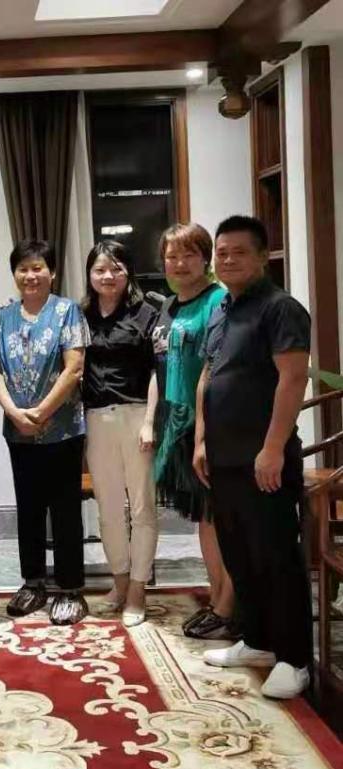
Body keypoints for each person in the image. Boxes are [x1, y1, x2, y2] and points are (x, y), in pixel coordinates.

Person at [196, 215, 312, 700]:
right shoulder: (223, 308)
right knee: (240, 554)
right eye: (221, 253)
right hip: (223, 458)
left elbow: (293, 378)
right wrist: (202, 440)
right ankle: (259, 641)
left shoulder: (280, 308)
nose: (227, 260)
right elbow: (210, 374)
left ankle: (294, 659)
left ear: (263, 256)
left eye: (239, 252)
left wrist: (272, 448)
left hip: (264, 459)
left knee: (275, 557)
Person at [145, 222, 236, 639]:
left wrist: (202, 432)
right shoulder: (169, 306)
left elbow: (215, 368)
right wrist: (151, 421)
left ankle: (228, 606)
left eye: (189, 254)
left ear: (205, 258)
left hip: (209, 424)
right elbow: (159, 365)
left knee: (220, 516)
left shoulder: (218, 300)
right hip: (176, 423)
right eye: (172, 256)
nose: (179, 263)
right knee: (205, 517)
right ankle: (217, 599)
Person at [0, 240, 90, 625]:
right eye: (23, 268)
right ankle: (33, 582)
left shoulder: (67, 311)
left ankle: (70, 588)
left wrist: (42, 411)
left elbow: (74, 367)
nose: (30, 275)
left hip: (63, 429)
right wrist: (14, 412)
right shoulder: (3, 317)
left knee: (65, 509)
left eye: (38, 268)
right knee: (29, 508)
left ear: (52, 272)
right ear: (14, 274)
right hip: (18, 431)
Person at [81, 241, 159, 627]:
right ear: (90, 275)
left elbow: (157, 370)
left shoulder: (147, 313)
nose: (107, 276)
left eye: (115, 268)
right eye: (99, 269)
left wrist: (150, 422)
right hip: (96, 419)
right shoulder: (81, 315)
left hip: (136, 414)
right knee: (109, 509)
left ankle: (138, 591)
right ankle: (120, 582)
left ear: (128, 272)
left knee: (142, 507)